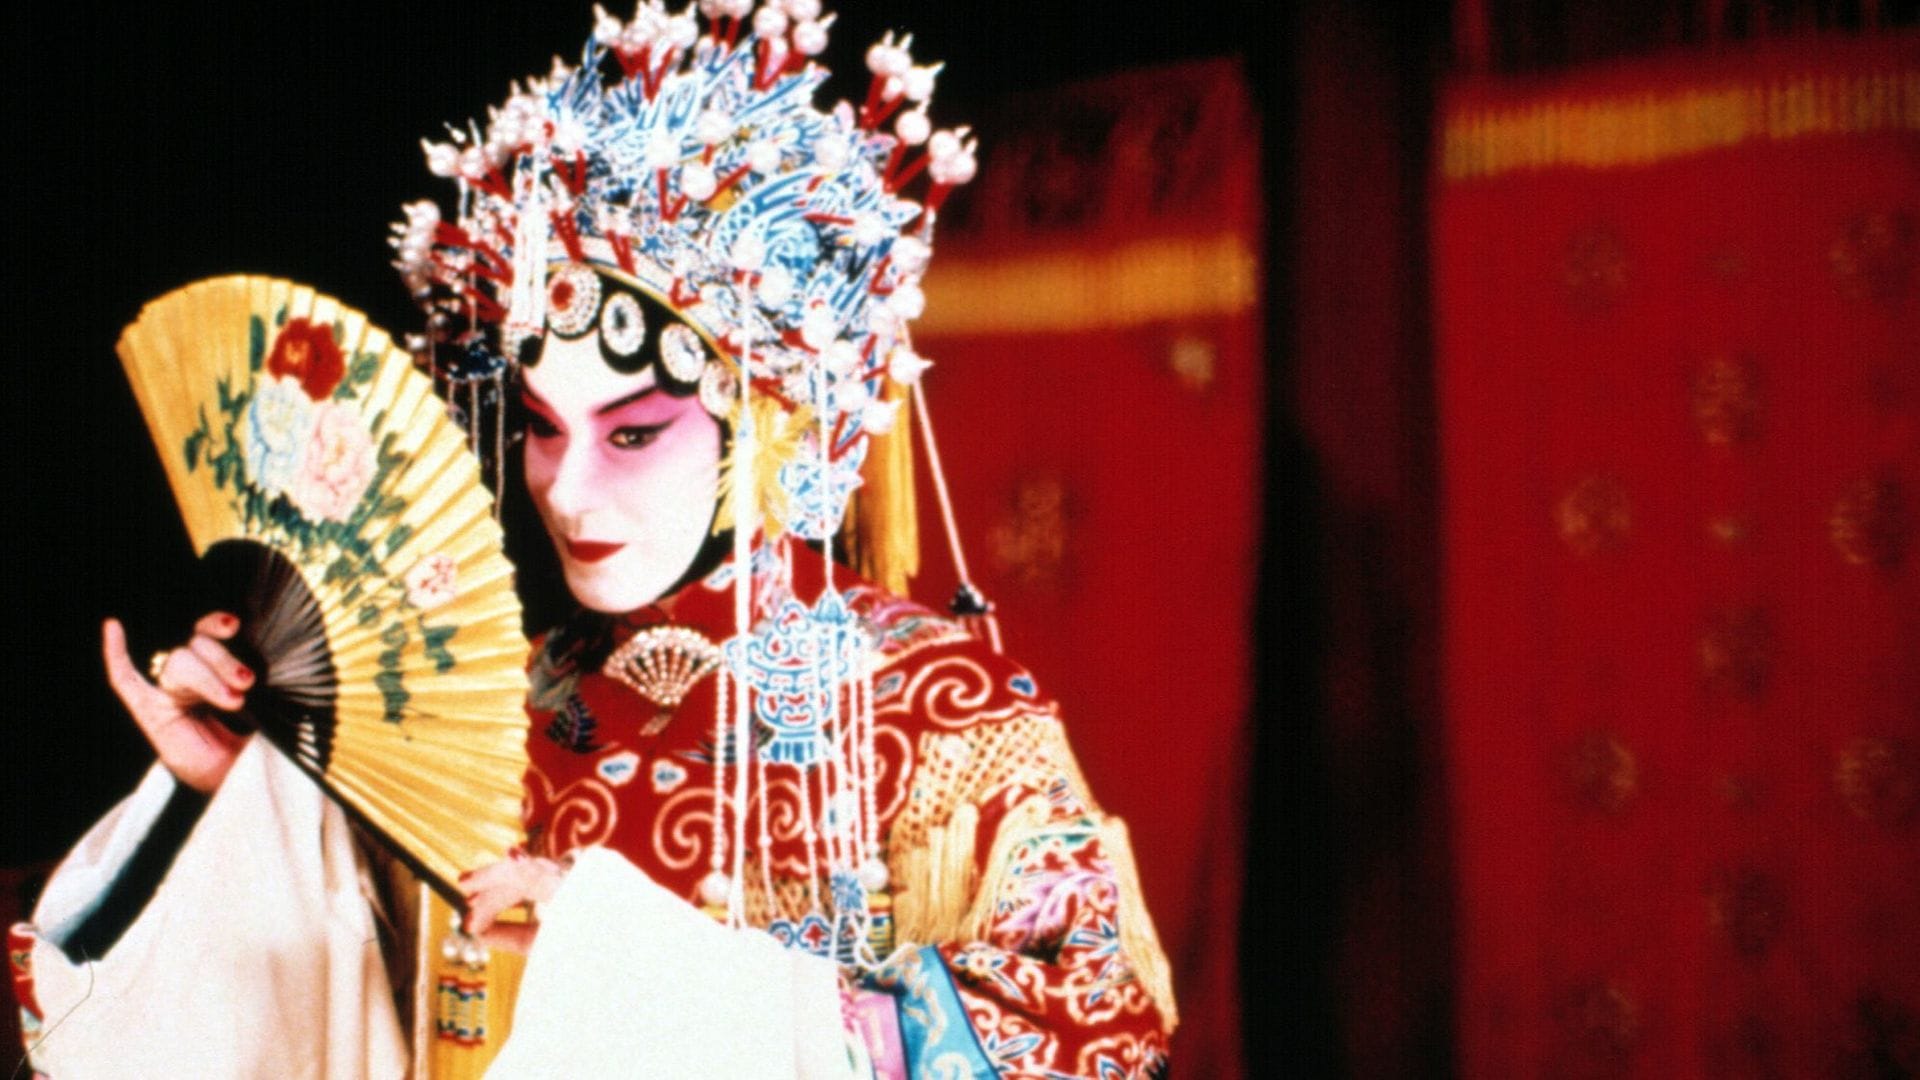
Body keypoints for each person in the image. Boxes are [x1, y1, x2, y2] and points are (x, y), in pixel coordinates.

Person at [11, 3, 1177, 1077]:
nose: (568, 491)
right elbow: (340, 1018)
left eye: (634, 434)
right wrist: (242, 802)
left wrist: (635, 968)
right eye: (541, 428)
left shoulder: (935, 709)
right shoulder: (492, 708)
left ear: (763, 424)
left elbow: (1099, 1033)